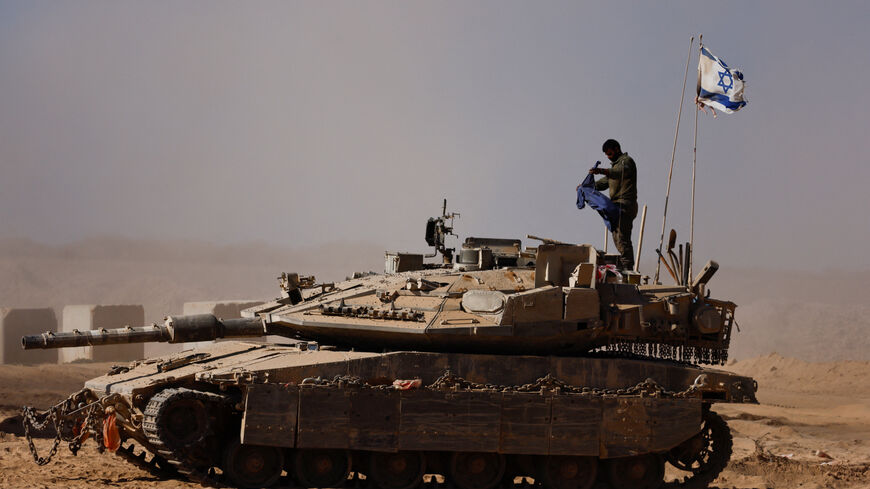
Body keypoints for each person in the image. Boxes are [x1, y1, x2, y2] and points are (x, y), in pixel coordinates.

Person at [589, 139, 637, 270]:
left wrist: (602, 171)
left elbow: (620, 172)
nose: (609, 157)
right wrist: (587, 186)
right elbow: (603, 183)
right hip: (616, 208)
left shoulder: (626, 162)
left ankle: (629, 269)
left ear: (617, 149)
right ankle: (626, 267)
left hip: (625, 206)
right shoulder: (613, 168)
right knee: (618, 238)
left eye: (610, 154)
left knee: (622, 239)